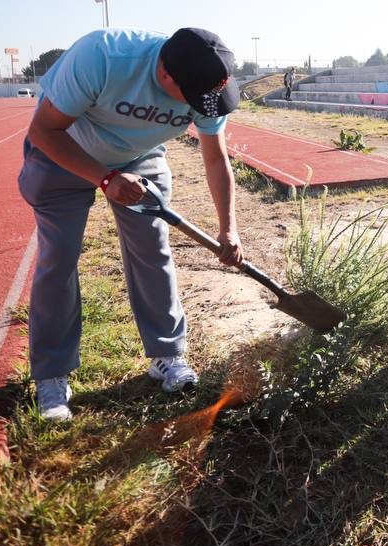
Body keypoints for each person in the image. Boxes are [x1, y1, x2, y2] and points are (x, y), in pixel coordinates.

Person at [19, 28, 245, 422]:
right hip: (64, 150)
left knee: (152, 250)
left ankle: (167, 355)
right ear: (165, 76)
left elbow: (215, 159)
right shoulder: (104, 57)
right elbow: (43, 130)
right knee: (59, 256)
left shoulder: (206, 86)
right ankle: (52, 375)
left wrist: (229, 229)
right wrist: (105, 179)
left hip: (137, 158)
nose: (201, 108)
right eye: (191, 99)